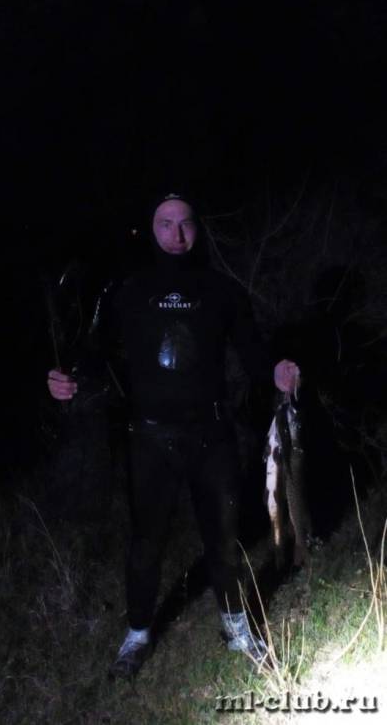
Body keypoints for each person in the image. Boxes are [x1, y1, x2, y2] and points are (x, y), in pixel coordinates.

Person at [47, 193, 299, 678]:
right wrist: (66, 378)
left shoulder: (221, 290)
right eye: (166, 223)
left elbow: (253, 353)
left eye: (185, 223)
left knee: (224, 540)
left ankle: (237, 628)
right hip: (149, 439)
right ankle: (138, 634)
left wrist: (277, 372)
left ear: (197, 229)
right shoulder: (127, 289)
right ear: (152, 227)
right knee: (146, 544)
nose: (176, 234)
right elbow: (94, 353)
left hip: (212, 436)